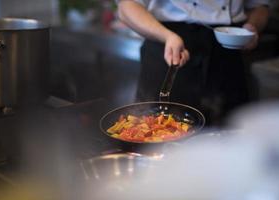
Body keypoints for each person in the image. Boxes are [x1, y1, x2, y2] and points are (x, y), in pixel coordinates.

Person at [116, 0, 270, 125]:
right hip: (168, 43)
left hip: (228, 49)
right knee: (158, 130)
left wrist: (252, 26)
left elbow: (259, 6)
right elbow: (126, 6)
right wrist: (167, 36)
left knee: (230, 132)